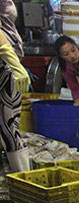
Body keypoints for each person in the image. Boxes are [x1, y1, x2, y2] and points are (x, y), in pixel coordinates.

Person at [0, 0, 30, 172]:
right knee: (8, 125)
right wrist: (12, 61)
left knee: (7, 125)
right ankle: (23, 178)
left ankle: (22, 178)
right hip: (5, 64)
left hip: (8, 63)